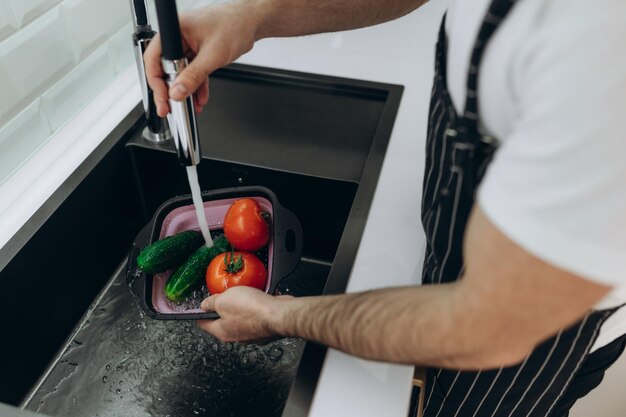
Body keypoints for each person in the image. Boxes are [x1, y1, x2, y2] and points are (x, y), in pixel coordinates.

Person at [145, 0, 626, 415]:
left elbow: (482, 328)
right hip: (468, 271)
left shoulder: (599, 51)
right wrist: (252, 17)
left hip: (526, 347)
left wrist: (277, 317)